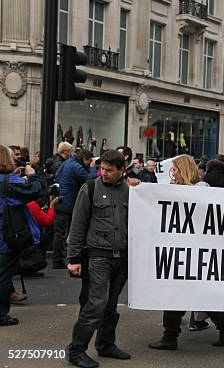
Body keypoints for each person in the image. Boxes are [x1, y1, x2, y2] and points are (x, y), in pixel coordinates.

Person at [149, 156, 224, 351]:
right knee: (194, 295)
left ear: (184, 170)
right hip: (184, 251)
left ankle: (170, 336)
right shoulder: (182, 187)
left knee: (177, 295)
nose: (173, 173)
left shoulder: (201, 188)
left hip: (194, 252)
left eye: (175, 170)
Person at [65, 150, 131, 367]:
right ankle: (76, 350)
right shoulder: (90, 188)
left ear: (122, 170)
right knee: (96, 304)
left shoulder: (131, 191)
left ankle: (105, 344)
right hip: (98, 256)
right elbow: (77, 225)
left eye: (109, 170)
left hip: (121, 257)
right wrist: (73, 258)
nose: (104, 173)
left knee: (111, 304)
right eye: (102, 168)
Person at [0, 145, 46, 326]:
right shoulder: (9, 182)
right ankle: (1, 314)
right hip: (7, 235)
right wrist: (33, 175)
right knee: (4, 276)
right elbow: (36, 190)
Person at [52, 150, 97, 269]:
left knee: (60, 232)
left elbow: (56, 175)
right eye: (89, 161)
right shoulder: (76, 166)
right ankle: (59, 260)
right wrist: (92, 168)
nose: (90, 163)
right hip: (68, 201)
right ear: (85, 159)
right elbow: (90, 180)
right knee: (65, 233)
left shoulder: (68, 162)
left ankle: (58, 259)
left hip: (62, 199)